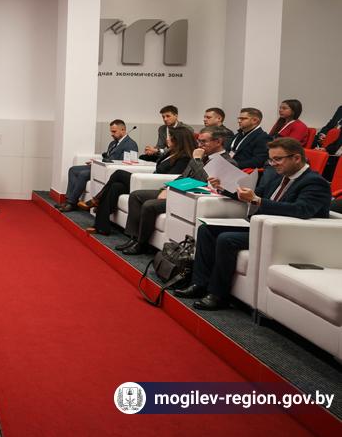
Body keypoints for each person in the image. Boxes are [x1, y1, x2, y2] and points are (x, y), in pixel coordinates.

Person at [174, 137, 332, 310]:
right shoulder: (280, 177)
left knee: (227, 239)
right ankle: (199, 284)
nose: (273, 164)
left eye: (278, 159)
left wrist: (257, 200)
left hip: (287, 234)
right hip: (260, 226)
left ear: (296, 158)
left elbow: (301, 210)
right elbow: (256, 194)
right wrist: (223, 188)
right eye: (271, 160)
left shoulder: (315, 182)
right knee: (206, 230)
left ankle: (218, 294)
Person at [117, 126, 235, 254]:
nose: (200, 144)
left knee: (149, 205)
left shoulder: (227, 162)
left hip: (192, 198)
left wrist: (197, 160)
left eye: (204, 141)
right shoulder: (202, 155)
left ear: (218, 142)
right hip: (180, 191)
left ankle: (141, 244)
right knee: (136, 195)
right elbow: (183, 176)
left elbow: (205, 181)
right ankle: (133, 238)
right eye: (199, 141)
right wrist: (168, 188)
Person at [89, 127, 197, 235]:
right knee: (115, 187)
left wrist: (149, 177)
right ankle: (102, 226)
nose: (167, 139)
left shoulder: (184, 158)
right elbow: (159, 163)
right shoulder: (171, 152)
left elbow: (171, 176)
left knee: (119, 173)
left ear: (178, 140)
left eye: (170, 137)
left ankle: (97, 199)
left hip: (155, 185)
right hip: (148, 180)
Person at [56, 119, 138, 212]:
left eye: (114, 131)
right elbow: (107, 157)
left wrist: (101, 163)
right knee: (73, 170)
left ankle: (71, 203)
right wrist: (96, 162)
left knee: (83, 174)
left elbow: (124, 163)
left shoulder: (131, 144)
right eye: (111, 131)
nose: (111, 134)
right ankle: (68, 200)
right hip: (101, 166)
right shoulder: (113, 143)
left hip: (110, 170)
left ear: (123, 130)